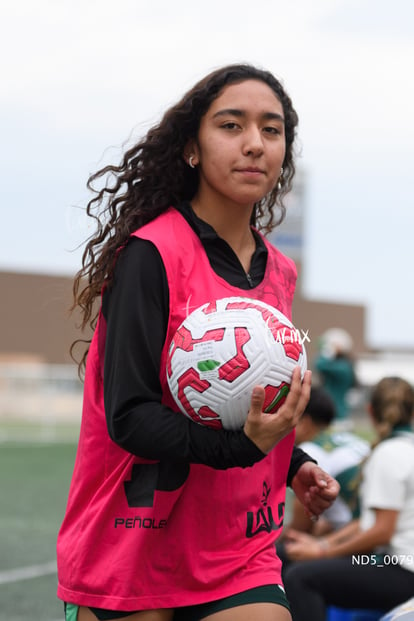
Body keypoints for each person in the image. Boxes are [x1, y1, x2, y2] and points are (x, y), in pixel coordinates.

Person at [56, 63, 339, 621]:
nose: (254, 144)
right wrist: (244, 449)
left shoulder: (279, 271)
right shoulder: (150, 254)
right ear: (192, 147)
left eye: (271, 129)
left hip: (237, 548)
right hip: (133, 542)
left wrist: (292, 460)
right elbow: (130, 415)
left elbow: (241, 396)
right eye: (231, 126)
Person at [283, 376, 414, 621]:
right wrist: (322, 546)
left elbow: (381, 532)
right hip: (399, 562)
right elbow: (367, 522)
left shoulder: (389, 452)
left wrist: (322, 553)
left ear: (370, 411)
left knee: (299, 578)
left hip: (402, 568)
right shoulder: (404, 447)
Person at [287, 385, 370, 536]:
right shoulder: (348, 438)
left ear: (305, 422)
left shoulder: (310, 451)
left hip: (362, 539)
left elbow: (299, 528)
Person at [314, 328, 356, 427]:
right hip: (333, 414)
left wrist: (329, 351)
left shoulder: (343, 367)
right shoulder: (340, 365)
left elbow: (319, 364)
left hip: (338, 416)